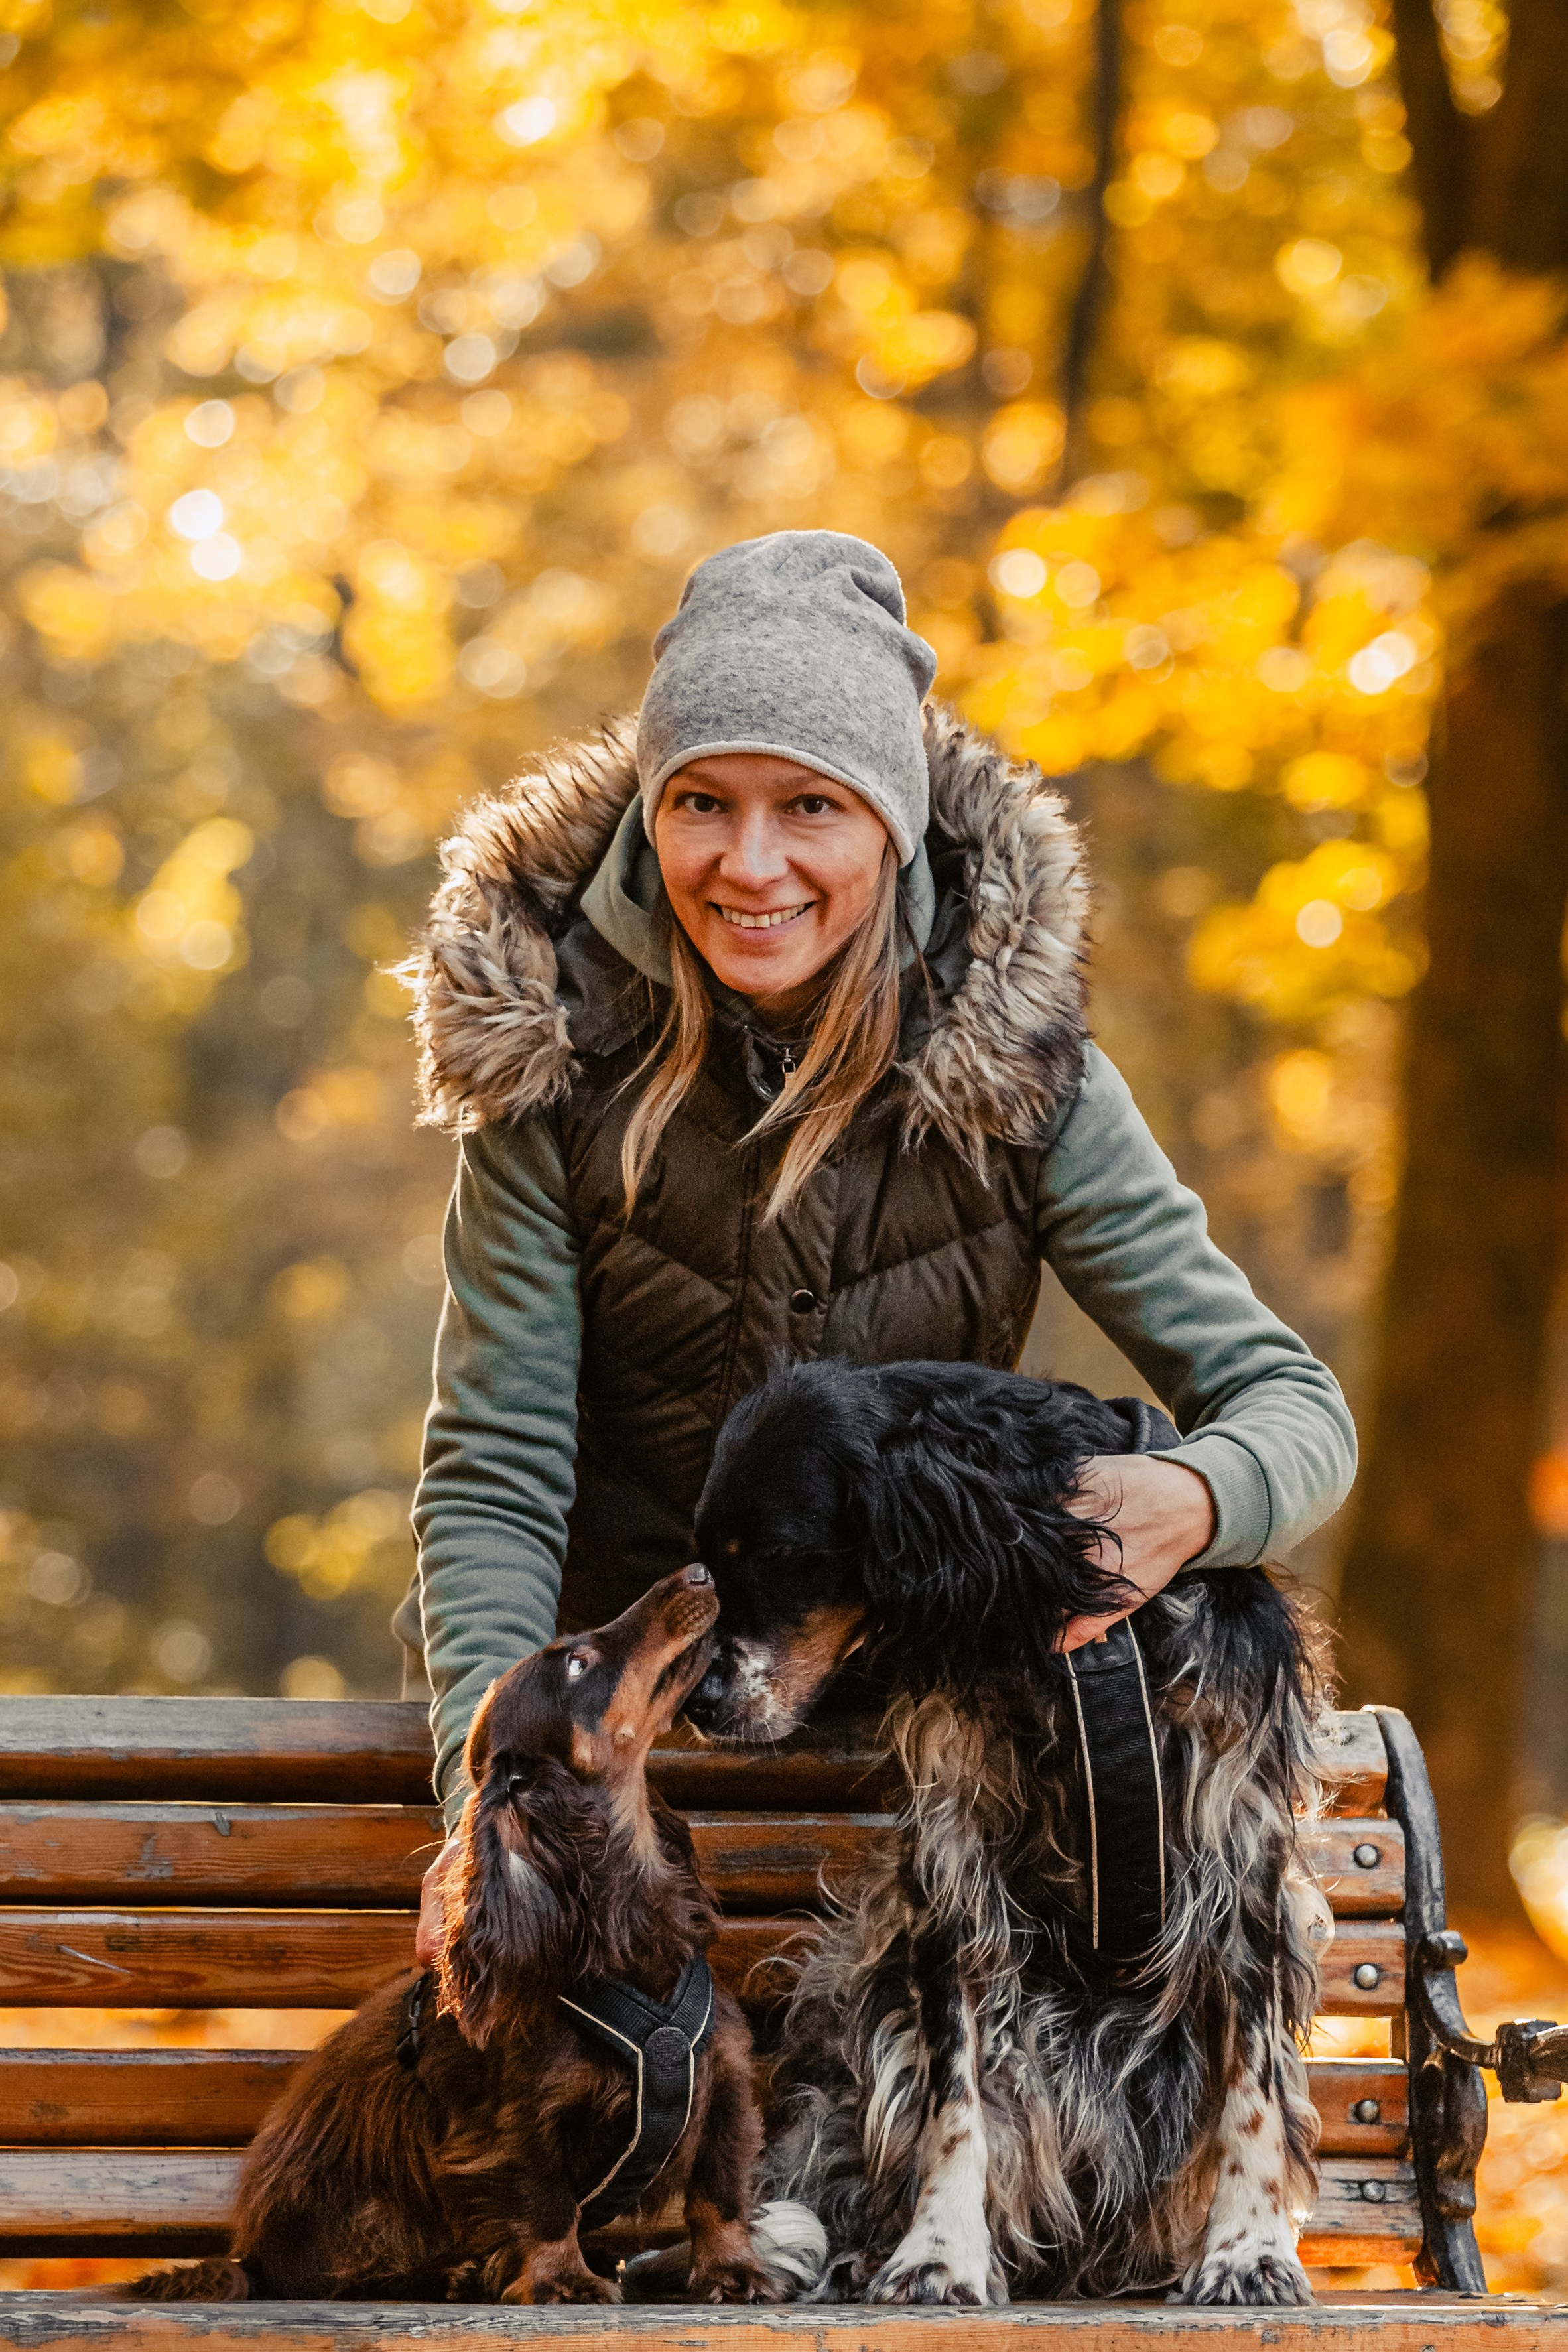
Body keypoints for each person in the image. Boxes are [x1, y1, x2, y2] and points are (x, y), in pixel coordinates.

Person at [395, 529, 1356, 1960]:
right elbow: (497, 1476)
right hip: (639, 1788)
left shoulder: (1014, 1068)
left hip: (937, 1789)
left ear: (892, 826)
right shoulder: (552, 1060)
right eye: (702, 802)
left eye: (812, 806)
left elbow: (1296, 1410)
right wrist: (500, 1799)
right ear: (651, 811)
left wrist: (1192, 1498)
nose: (750, 864)